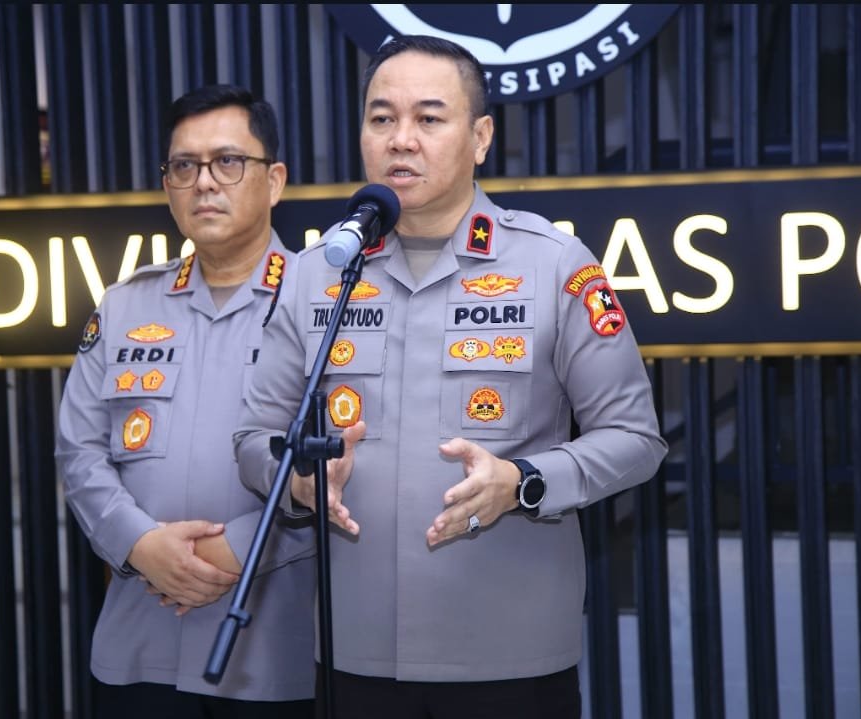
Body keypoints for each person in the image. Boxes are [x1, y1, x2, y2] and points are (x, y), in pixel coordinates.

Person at [233, 36, 668, 719]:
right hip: (353, 655)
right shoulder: (318, 274)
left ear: (480, 136)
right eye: (381, 118)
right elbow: (252, 436)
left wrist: (521, 481)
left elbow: (635, 439)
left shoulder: (555, 264)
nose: (400, 139)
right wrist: (295, 482)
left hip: (510, 658)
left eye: (428, 118)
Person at [56, 84, 316, 718]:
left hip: (273, 652)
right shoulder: (125, 305)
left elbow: (351, 468)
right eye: (184, 166)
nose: (204, 183)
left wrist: (235, 551)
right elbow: (79, 452)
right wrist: (140, 545)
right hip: (141, 642)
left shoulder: (326, 306)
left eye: (228, 161)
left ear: (274, 181)